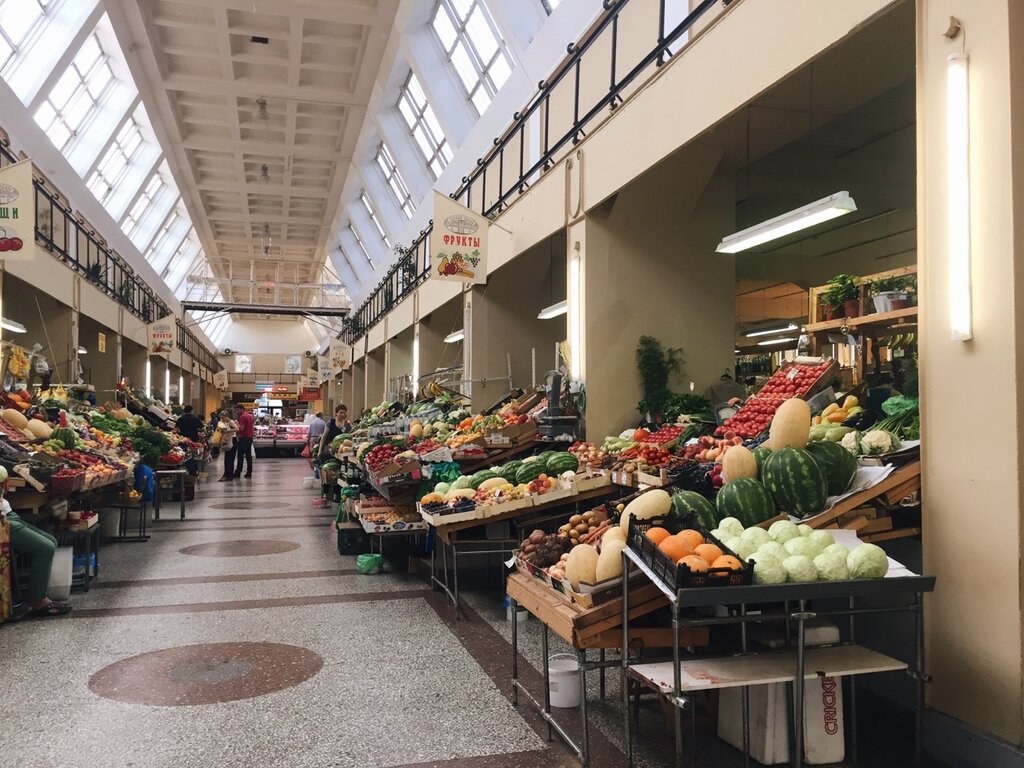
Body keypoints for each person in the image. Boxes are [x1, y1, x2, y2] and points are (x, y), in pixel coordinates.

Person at [5, 499, 71, 617]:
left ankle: (37, 592)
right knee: (45, 548)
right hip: (3, 520)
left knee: (52, 541)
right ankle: (38, 600)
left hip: (9, 514)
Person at [216, 409, 238, 481]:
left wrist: (226, 431)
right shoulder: (225, 423)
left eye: (222, 417)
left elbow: (237, 429)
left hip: (232, 441)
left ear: (226, 416)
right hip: (228, 441)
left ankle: (229, 475)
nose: (222, 419)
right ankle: (227, 474)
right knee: (227, 459)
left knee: (230, 459)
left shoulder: (230, 421)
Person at [233, 405, 254, 479]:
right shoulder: (249, 416)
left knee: (240, 455)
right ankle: (249, 472)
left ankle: (238, 472)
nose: (236, 411)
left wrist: (235, 424)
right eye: (236, 410)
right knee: (248, 456)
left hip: (243, 438)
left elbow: (241, 428)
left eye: (238, 410)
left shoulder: (242, 417)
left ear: (242, 409)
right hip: (249, 437)